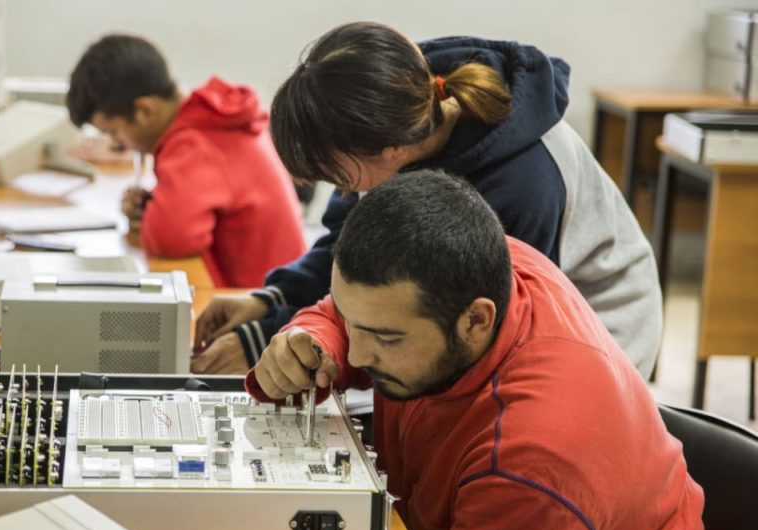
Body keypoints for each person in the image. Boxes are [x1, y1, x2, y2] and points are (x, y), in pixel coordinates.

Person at [246, 170, 718, 530]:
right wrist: (316, 336)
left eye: (387, 339)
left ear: (476, 319)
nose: (359, 354)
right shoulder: (484, 263)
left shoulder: (528, 463)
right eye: (354, 326)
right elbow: (349, 313)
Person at [191, 22, 662, 378]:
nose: (343, 190)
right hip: (477, 310)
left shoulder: (519, 188)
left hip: (595, 330)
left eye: (338, 174)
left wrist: (273, 340)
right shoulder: (396, 110)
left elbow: (456, 328)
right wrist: (273, 300)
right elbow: (351, 245)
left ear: (395, 153)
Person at [66, 34, 306, 288]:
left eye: (114, 132)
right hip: (279, 288)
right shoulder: (208, 120)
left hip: (268, 307)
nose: (116, 145)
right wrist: (152, 208)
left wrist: (149, 219)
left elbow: (171, 238)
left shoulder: (194, 144)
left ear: (145, 110)